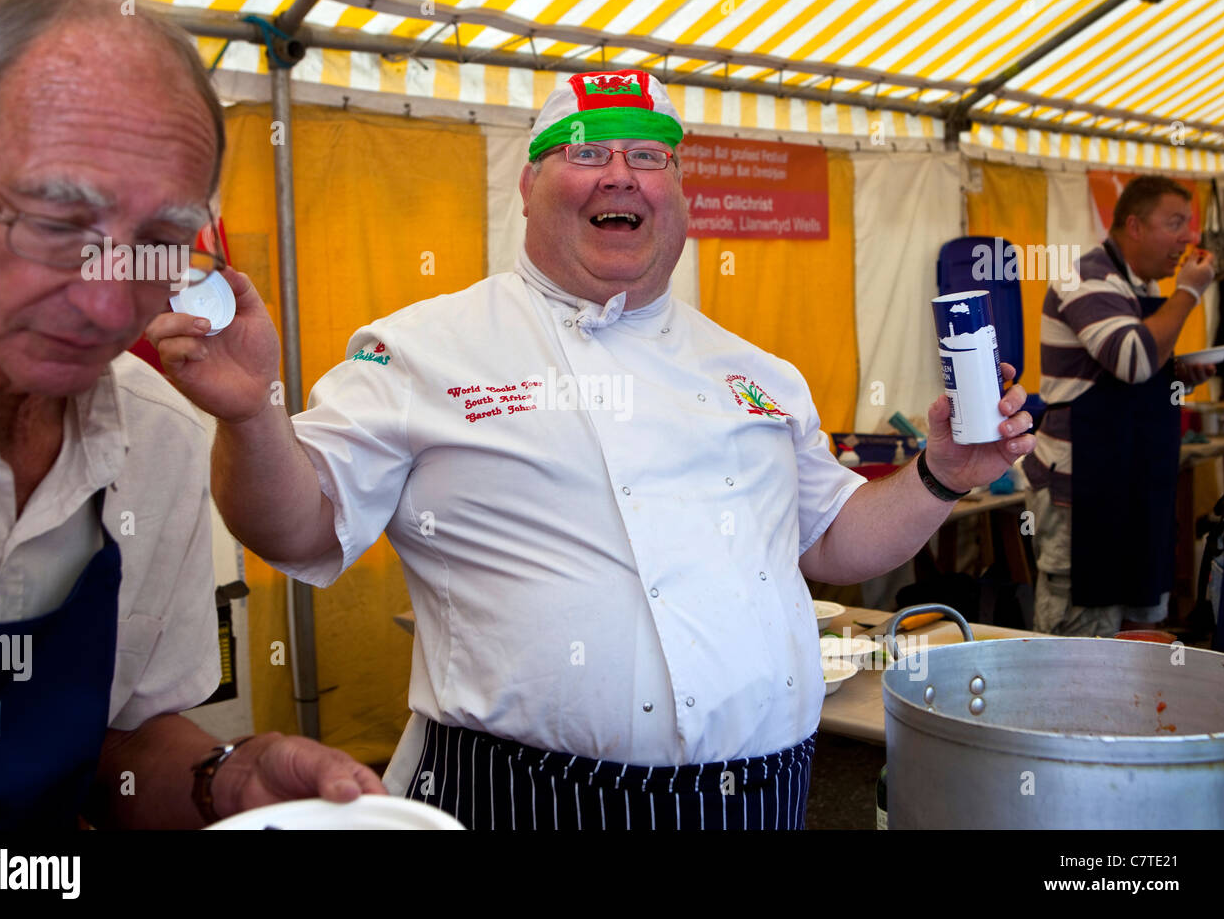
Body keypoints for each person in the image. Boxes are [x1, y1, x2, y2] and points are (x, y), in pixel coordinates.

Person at [149, 69, 1034, 830]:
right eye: (587, 152)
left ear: (678, 193)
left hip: (762, 795)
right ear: (527, 187)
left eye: (648, 156)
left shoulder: (756, 369)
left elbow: (836, 540)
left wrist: (940, 473)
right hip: (524, 797)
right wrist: (251, 417)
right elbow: (298, 530)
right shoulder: (420, 347)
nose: (622, 174)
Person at [0, 0, 383, 829]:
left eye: (163, 244)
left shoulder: (157, 435)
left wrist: (224, 783)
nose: (110, 308)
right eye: (59, 220)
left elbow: (119, 744)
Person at [1025, 176, 1217, 636]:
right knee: (1082, 651)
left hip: (1136, 490)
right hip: (1084, 493)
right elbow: (1131, 360)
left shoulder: (1135, 287)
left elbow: (1136, 373)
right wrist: (1188, 292)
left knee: (1137, 646)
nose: (1187, 238)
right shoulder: (1087, 278)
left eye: (1188, 225)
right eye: (1174, 224)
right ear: (1134, 225)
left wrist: (1175, 375)